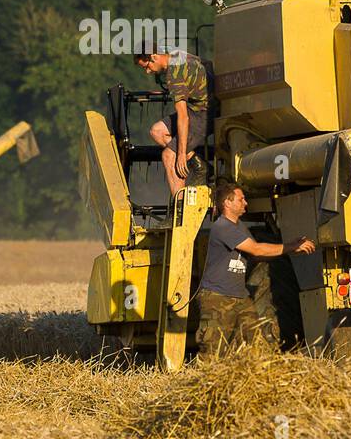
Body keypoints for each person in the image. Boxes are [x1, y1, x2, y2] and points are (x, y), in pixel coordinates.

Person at [196, 180, 316, 361]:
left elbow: (257, 256)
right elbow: (256, 249)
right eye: (241, 199)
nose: (245, 203)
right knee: (213, 350)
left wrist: (289, 252)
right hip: (217, 298)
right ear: (227, 203)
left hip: (240, 297)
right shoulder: (222, 227)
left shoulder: (239, 226)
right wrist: (290, 247)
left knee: (256, 342)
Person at [135, 48, 210, 197]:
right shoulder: (177, 54)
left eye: (147, 67)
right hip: (200, 108)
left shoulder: (173, 76)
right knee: (157, 131)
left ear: (154, 57)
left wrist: (181, 154)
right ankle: (199, 164)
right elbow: (208, 63)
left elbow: (183, 117)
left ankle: (179, 212)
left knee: (170, 156)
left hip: (203, 115)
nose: (148, 72)